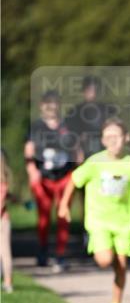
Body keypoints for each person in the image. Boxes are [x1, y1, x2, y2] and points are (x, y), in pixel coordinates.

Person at [58, 119, 130, 303]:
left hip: (124, 223)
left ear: (126, 138)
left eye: (116, 136)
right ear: (103, 140)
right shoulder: (95, 162)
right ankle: (108, 253)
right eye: (108, 137)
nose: (113, 141)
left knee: (122, 268)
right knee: (105, 260)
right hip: (99, 222)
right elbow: (74, 180)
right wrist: (64, 205)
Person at [24, 90, 82, 270]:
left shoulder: (67, 126)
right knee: (44, 216)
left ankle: (61, 254)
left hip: (64, 177)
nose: (51, 106)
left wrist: (78, 172)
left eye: (54, 102)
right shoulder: (36, 127)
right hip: (44, 178)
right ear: (42, 106)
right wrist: (32, 171)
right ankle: (42, 250)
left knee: (63, 215)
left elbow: (77, 152)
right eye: (47, 103)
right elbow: (29, 152)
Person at [65, 76, 119, 159]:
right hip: (84, 151)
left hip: (105, 150)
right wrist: (77, 151)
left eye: (96, 90)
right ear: (84, 91)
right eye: (90, 90)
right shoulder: (75, 112)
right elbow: (72, 135)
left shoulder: (108, 110)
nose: (93, 93)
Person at [1, 150, 14, 293]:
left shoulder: (2, 183)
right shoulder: (5, 180)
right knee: (5, 252)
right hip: (4, 220)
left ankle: (8, 281)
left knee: (5, 252)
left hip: (2, 221)